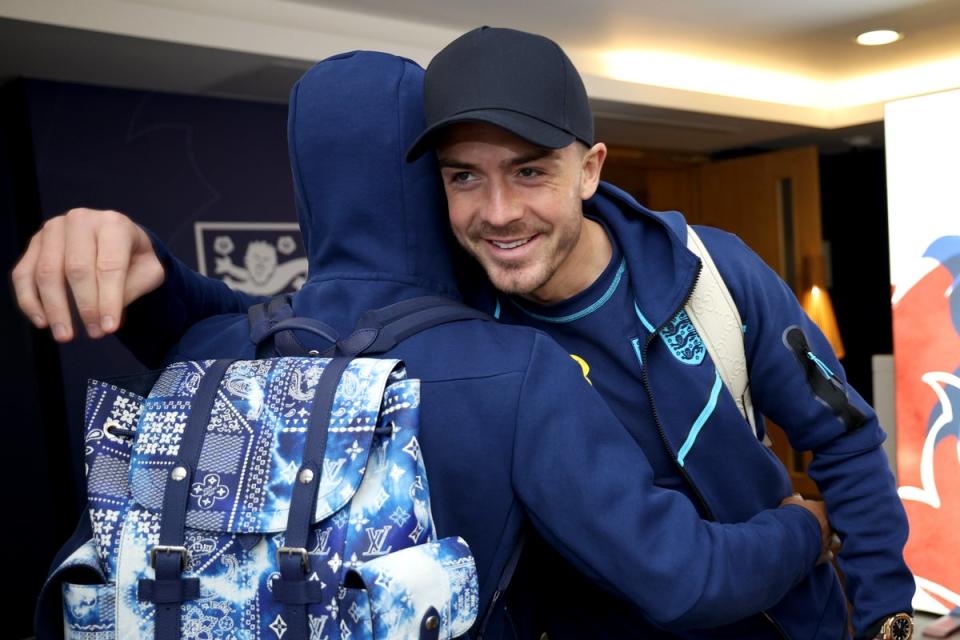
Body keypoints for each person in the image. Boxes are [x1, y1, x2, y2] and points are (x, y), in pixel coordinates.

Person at [14, 29, 912, 639]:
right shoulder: (461, 320)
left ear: (589, 168)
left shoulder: (709, 273)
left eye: (530, 171)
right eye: (462, 178)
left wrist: (885, 615)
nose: (499, 213)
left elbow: (843, 441)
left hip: (782, 617)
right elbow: (272, 338)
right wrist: (147, 277)